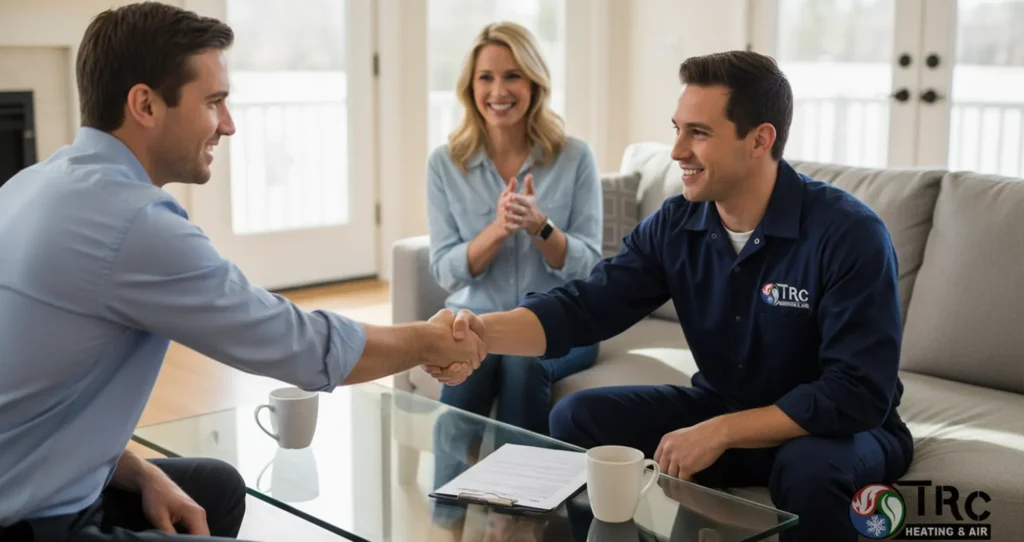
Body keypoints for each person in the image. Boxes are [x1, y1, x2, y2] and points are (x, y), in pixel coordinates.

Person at [0, 3, 481, 541]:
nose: (228, 125)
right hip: (31, 522)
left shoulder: (31, 185)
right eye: (214, 102)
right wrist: (431, 341)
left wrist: (134, 468)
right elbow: (299, 346)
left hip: (28, 478)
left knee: (215, 488)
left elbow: (35, 397)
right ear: (145, 105)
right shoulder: (132, 224)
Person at [432, 51, 915, 542]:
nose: (677, 150)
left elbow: (856, 393)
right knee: (577, 418)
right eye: (677, 129)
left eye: (698, 133)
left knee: (809, 470)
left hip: (837, 432)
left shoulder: (848, 233)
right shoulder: (676, 223)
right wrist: (478, 332)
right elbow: (586, 306)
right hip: (723, 405)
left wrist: (722, 431)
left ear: (760, 140)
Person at [425, 21, 603, 437]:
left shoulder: (575, 157)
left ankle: (520, 501)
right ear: (470, 87)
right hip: (479, 318)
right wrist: (499, 229)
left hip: (562, 324)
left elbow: (591, 269)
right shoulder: (444, 163)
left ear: (534, 83)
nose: (498, 91)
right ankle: (449, 500)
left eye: (512, 76)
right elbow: (444, 269)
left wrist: (540, 226)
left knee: (521, 358)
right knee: (467, 359)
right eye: (486, 77)